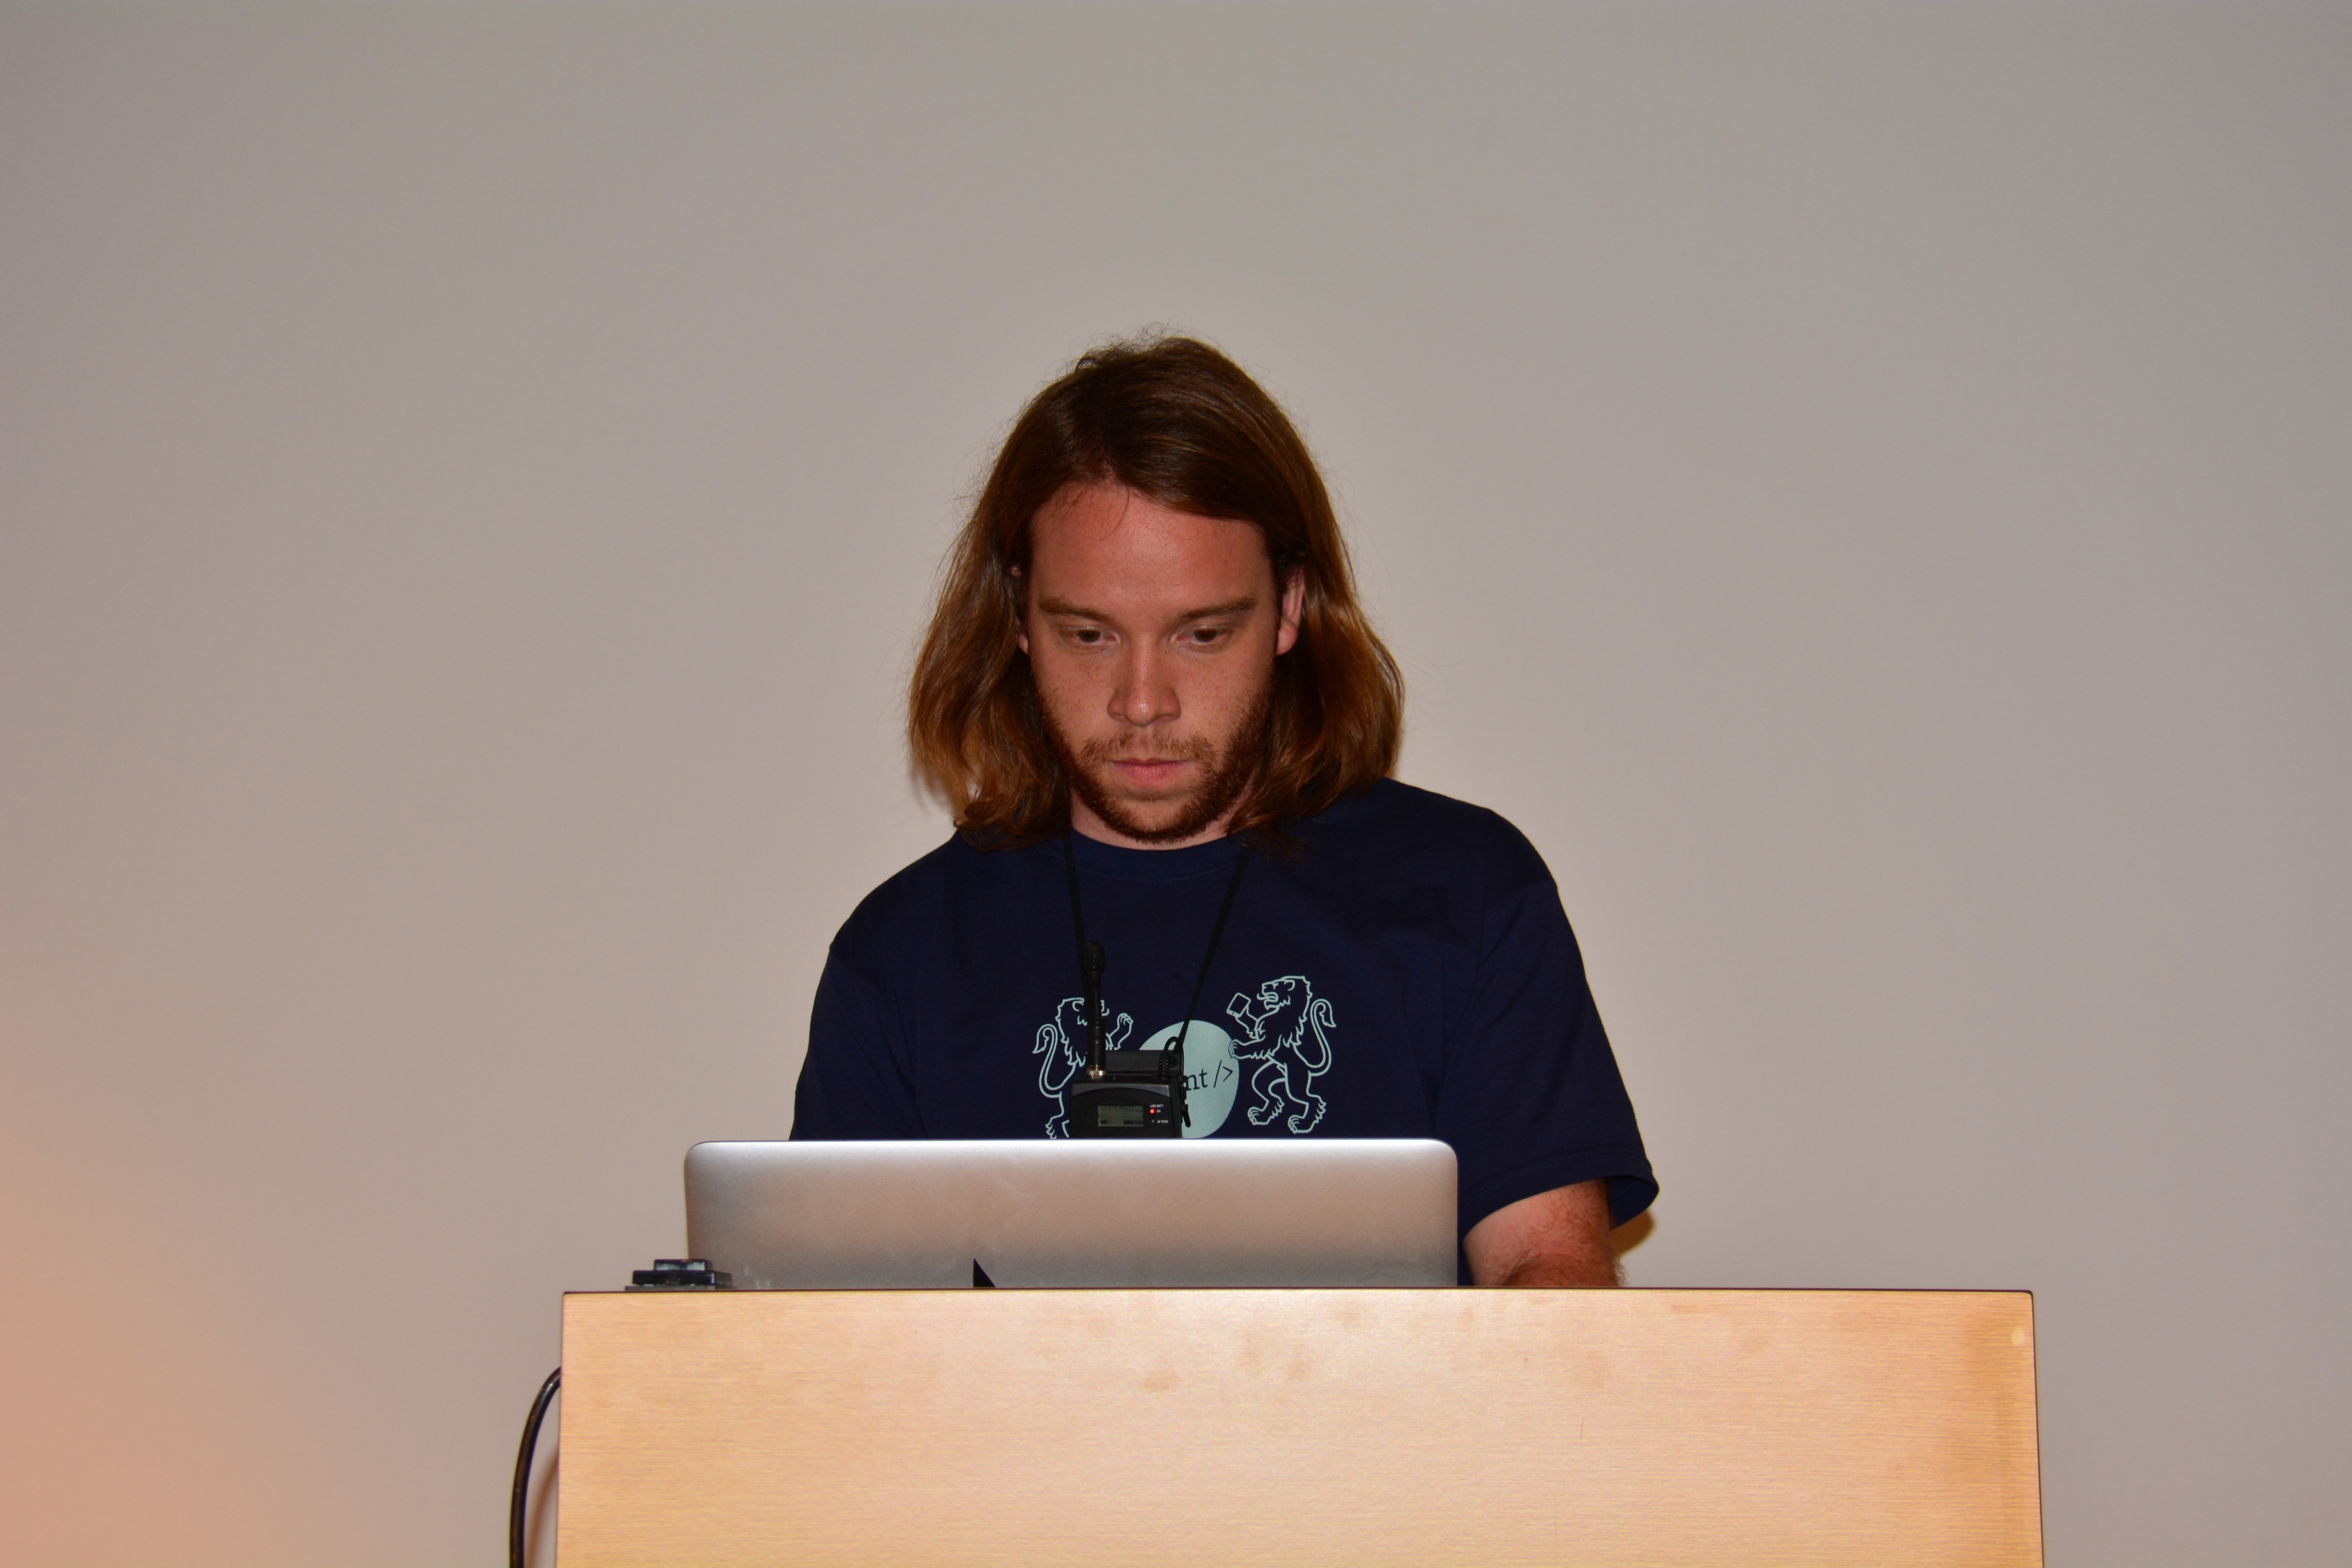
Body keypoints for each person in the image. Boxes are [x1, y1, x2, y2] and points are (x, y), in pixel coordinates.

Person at [791, 335, 1653, 1286]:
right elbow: (836, 1342)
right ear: (1018, 616)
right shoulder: (902, 954)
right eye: (1089, 635)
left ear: (1289, 606)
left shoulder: (1467, 893)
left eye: (1202, 634)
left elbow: (1547, 1280)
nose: (1142, 702)